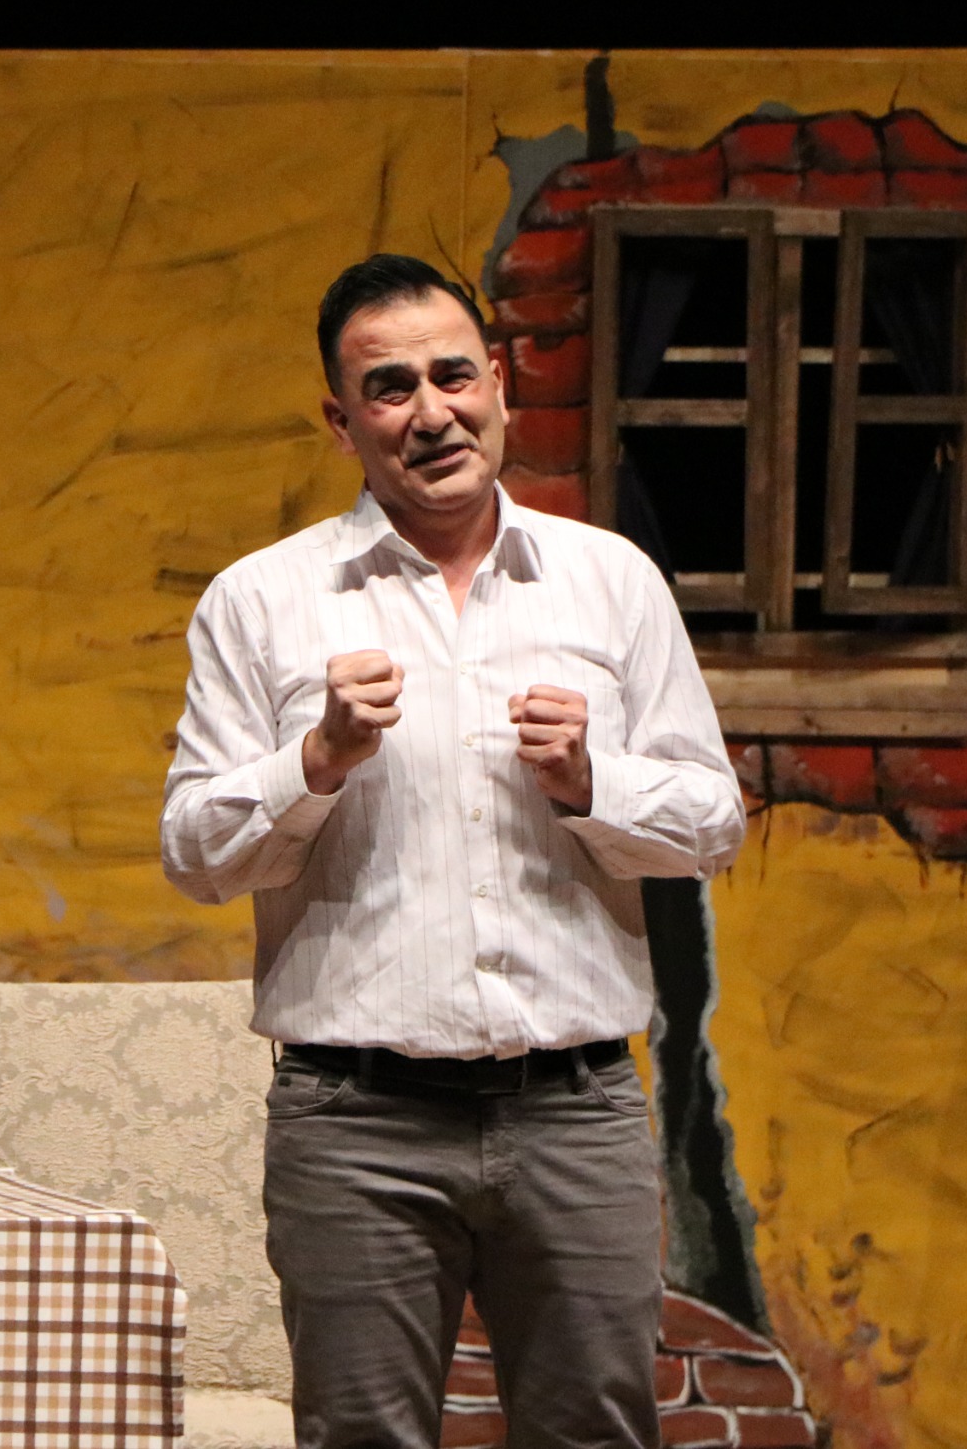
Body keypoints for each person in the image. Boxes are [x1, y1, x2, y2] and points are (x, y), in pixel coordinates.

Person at [160, 255, 746, 1447]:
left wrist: (591, 781)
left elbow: (710, 821)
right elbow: (197, 854)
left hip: (576, 1103)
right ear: (343, 422)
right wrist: (315, 757)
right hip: (354, 1117)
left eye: (452, 375)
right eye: (389, 388)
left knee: (595, 1434)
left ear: (500, 387)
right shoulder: (260, 600)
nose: (430, 411)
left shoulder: (611, 581)